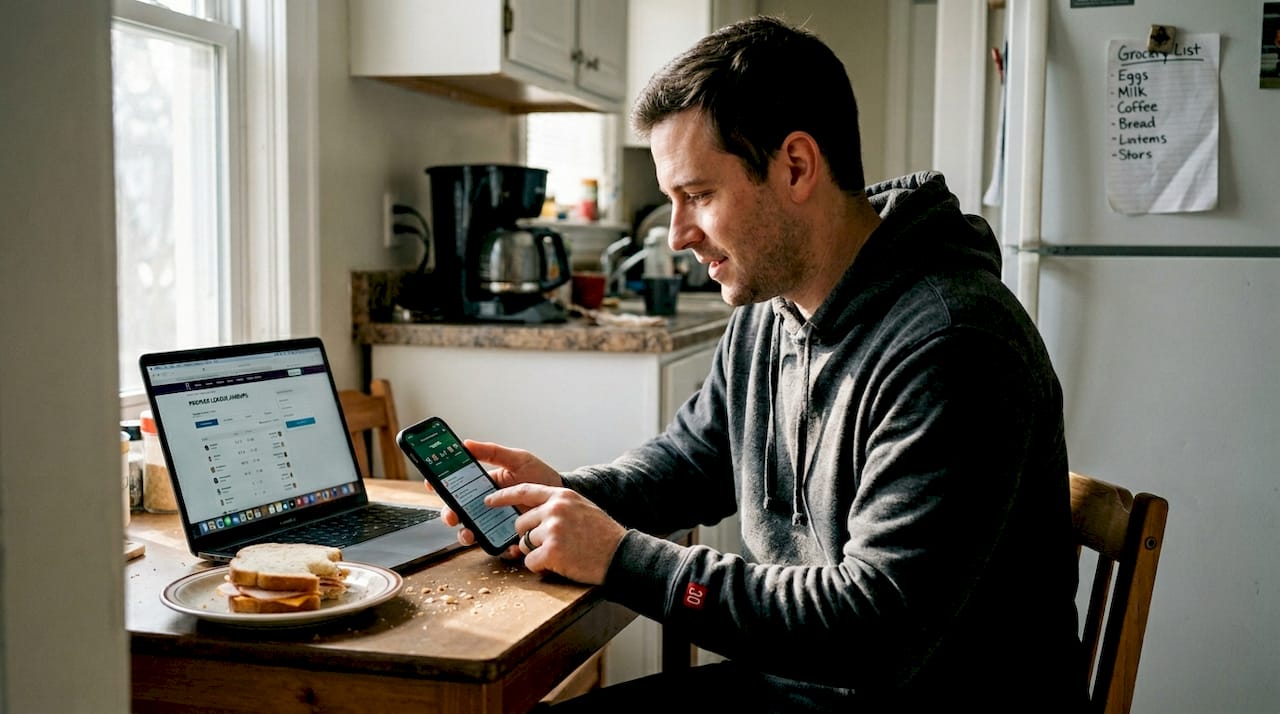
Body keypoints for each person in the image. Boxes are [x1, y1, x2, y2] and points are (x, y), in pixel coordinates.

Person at [443, 15, 1087, 711]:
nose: (680, 233)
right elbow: (693, 461)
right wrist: (567, 493)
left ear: (796, 167)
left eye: (699, 195)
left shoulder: (955, 343)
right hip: (803, 684)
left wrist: (621, 558)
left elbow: (875, 627)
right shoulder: (770, 309)